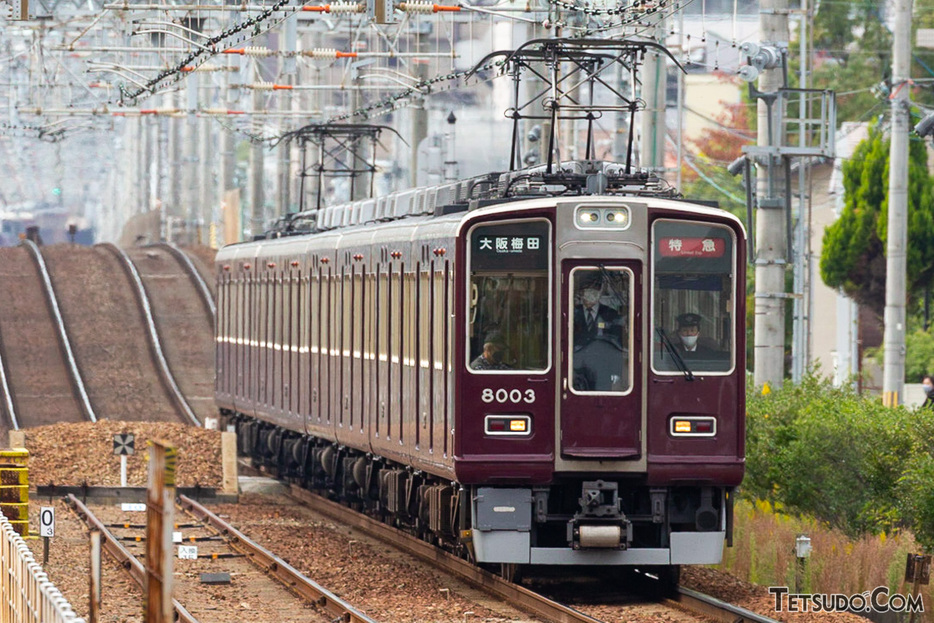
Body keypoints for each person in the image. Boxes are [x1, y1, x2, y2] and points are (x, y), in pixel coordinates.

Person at [573, 283, 623, 349]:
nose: (588, 296)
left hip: (603, 352)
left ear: (598, 296)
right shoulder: (573, 312)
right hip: (577, 353)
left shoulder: (610, 313)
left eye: (592, 293)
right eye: (586, 293)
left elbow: (616, 335)